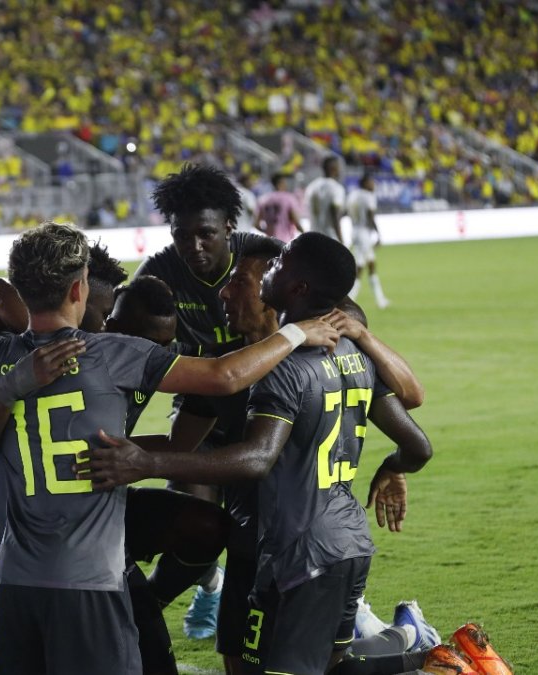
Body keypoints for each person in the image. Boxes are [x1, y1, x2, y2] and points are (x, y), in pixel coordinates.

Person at [0, 222, 338, 675]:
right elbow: (223, 376)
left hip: (17, 579)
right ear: (78, 289)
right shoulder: (110, 354)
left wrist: (11, 368)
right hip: (89, 578)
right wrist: (298, 333)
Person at [82, 233, 438, 675]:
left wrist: (145, 464)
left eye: (243, 281)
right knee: (323, 667)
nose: (226, 292)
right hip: (306, 541)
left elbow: (256, 457)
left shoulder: (279, 367)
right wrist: (115, 451)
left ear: (290, 290)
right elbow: (417, 443)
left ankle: (433, 661)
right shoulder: (343, 352)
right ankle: (414, 645)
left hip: (296, 548)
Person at [135, 162, 284, 639]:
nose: (193, 247)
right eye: (182, 236)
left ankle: (339, 606)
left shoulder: (265, 257)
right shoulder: (159, 273)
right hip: (200, 414)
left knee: (270, 532)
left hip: (271, 412)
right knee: (201, 523)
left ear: (229, 229)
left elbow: (328, 295)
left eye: (206, 234)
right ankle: (182, 593)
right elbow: (122, 328)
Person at [346, 172, 390, 308]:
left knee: (370, 264)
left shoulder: (353, 195)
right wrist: (378, 234)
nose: (373, 185)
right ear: (365, 183)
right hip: (364, 233)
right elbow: (370, 215)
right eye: (371, 182)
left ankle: (380, 299)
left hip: (354, 230)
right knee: (360, 266)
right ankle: (350, 300)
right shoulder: (368, 196)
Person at [305, 156, 347, 243]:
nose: (340, 170)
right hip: (329, 237)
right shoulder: (336, 187)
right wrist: (341, 240)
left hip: (312, 236)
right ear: (333, 169)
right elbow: (334, 214)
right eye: (338, 167)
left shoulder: (311, 186)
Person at [254, 173, 303, 242]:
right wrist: (305, 233)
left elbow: (256, 224)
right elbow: (295, 221)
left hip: (270, 241)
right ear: (281, 183)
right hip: (285, 241)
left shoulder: (263, 200)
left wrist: (267, 231)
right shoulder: (288, 198)